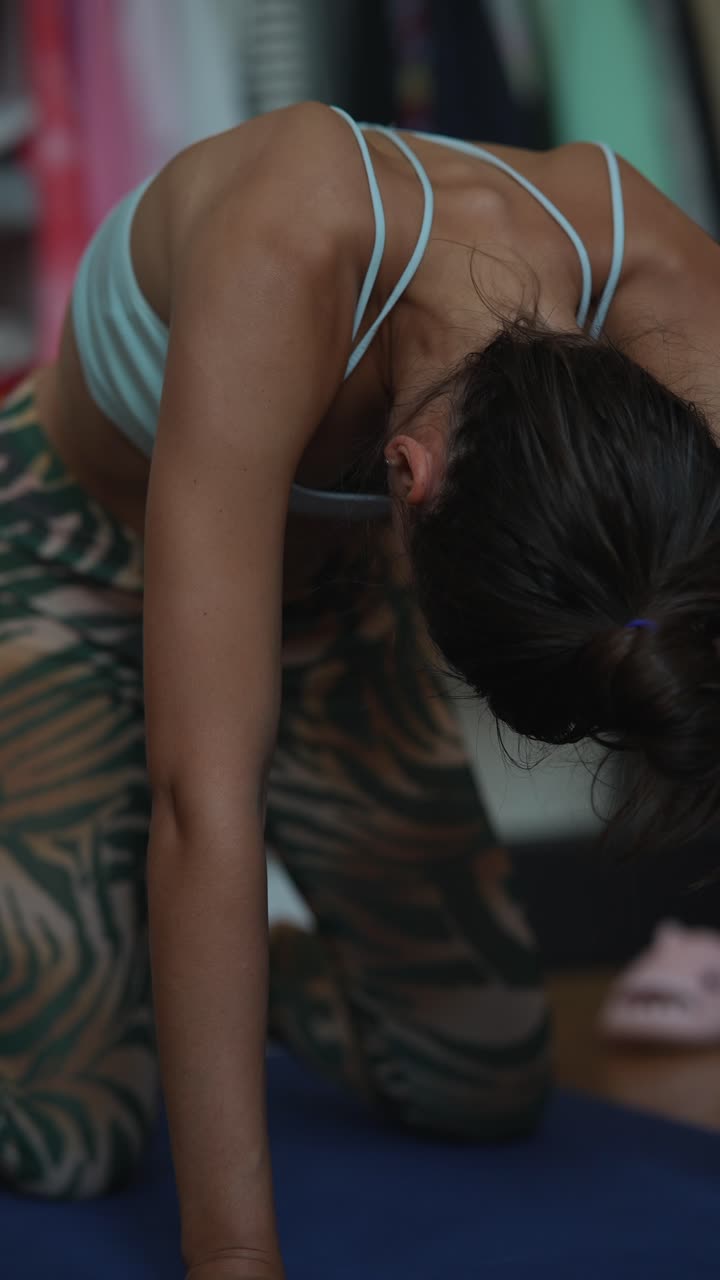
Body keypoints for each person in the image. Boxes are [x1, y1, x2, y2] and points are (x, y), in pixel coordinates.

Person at [2, 100, 720, 1279]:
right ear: (408, 474)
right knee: (72, 1135)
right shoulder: (291, 245)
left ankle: (238, 971)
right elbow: (205, 800)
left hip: (328, 608)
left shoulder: (660, 277)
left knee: (480, 1080)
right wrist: (234, 1254)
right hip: (65, 560)